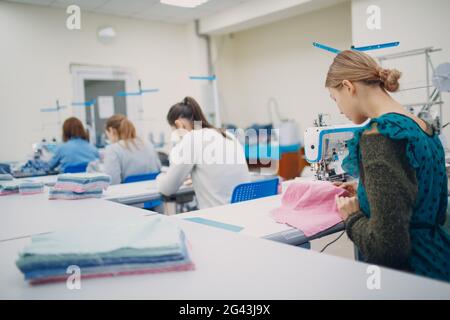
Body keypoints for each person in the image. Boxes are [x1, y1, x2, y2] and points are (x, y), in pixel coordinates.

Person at [326, 50, 449, 282]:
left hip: (412, 276)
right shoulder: (423, 127)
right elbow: (423, 197)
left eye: (335, 99)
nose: (339, 109)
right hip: (439, 261)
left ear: (348, 86)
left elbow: (388, 248)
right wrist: (366, 190)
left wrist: (352, 218)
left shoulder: (380, 135)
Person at [156, 97, 250, 209]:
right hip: (243, 211)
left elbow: (167, 189)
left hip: (218, 217)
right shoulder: (228, 135)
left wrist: (160, 177)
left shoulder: (192, 139)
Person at [103, 114, 161, 185]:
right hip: (153, 194)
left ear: (112, 131)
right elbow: (158, 169)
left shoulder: (113, 149)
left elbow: (112, 182)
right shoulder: (148, 144)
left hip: (128, 194)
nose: (109, 139)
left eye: (107, 135)